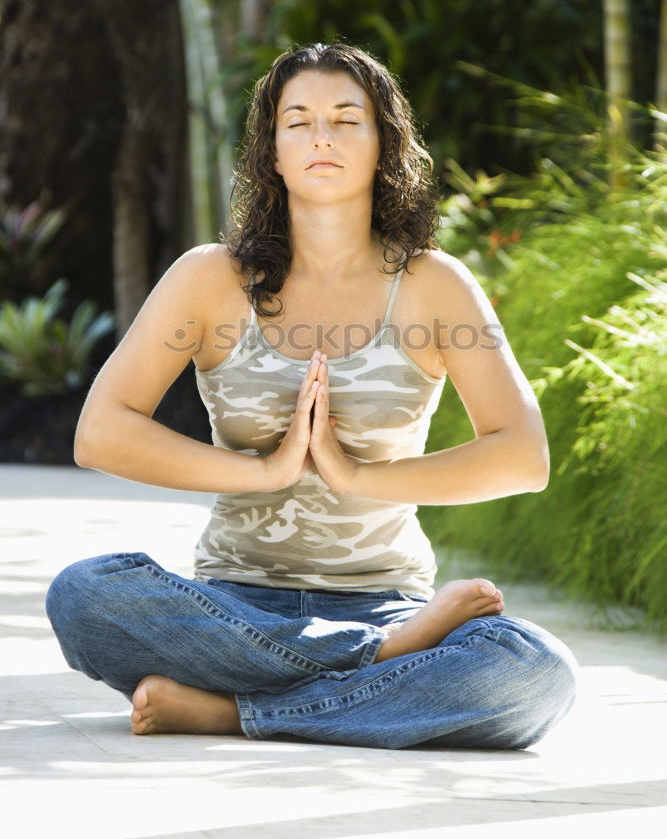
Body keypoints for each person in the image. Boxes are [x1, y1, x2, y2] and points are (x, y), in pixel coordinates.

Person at [46, 42, 576, 749]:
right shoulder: (210, 280)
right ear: (271, 150)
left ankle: (233, 711)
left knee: (534, 672)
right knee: (85, 594)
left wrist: (356, 475)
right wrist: (264, 470)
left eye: (345, 119)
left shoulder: (433, 286)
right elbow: (102, 433)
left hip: (387, 603)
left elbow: (521, 458)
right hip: (231, 603)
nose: (320, 136)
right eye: (297, 121)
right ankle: (370, 674)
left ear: (384, 142)